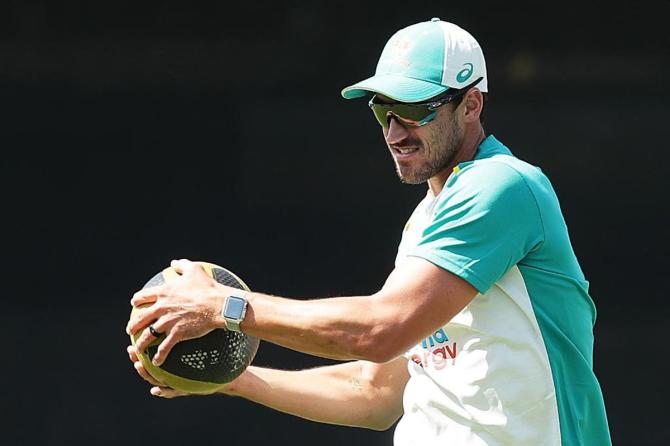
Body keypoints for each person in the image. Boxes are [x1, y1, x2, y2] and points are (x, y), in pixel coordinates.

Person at [127, 18, 611, 445]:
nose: (395, 131)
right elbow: (375, 393)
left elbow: (381, 330)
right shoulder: (427, 219)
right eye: (384, 112)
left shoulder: (501, 185)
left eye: (415, 109)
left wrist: (223, 307)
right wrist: (233, 379)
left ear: (471, 104)